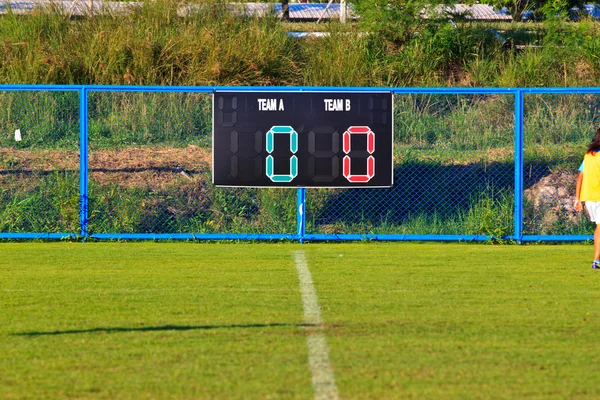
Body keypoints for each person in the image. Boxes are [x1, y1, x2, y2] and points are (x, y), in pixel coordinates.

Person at [574, 128, 600, 269]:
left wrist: (577, 198)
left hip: (589, 197)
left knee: (599, 228)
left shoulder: (588, 156)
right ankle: (596, 261)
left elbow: (580, 177)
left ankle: (597, 259)